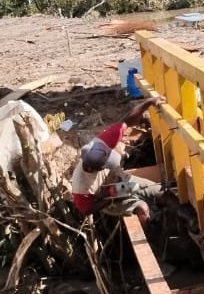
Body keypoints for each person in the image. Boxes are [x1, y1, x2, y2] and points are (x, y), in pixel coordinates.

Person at [70, 95, 164, 223]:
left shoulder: (100, 144)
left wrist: (147, 103)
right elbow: (86, 210)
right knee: (142, 208)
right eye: (104, 166)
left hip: (121, 182)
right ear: (93, 168)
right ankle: (151, 230)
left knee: (161, 192)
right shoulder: (81, 186)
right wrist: (110, 198)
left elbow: (126, 121)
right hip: (107, 201)